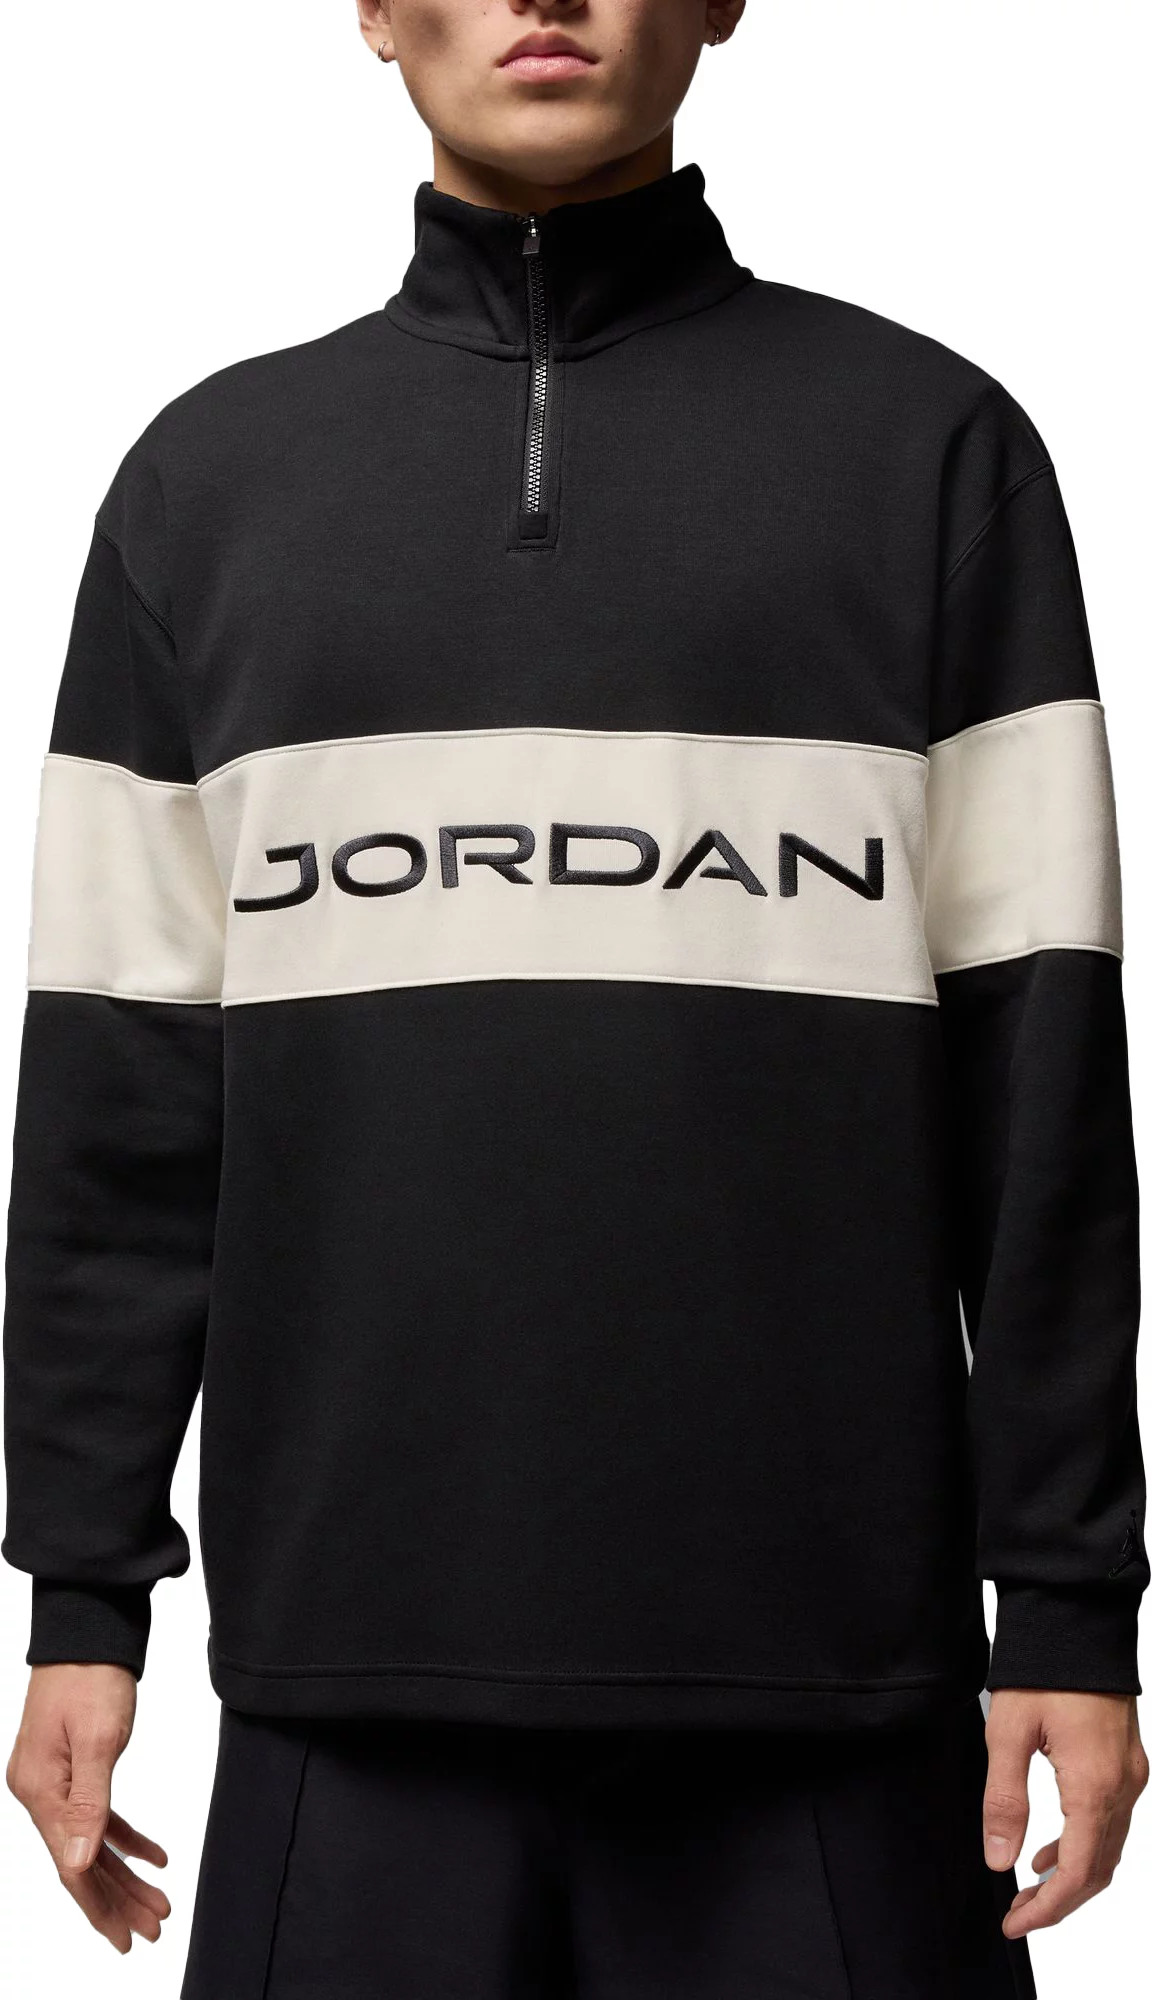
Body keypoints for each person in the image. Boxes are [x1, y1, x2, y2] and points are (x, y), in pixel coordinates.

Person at [2, 2, 1147, 1993]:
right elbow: (120, 1090)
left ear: (720, 0)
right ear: (373, 11)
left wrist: (1066, 1602)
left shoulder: (929, 451)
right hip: (346, 1690)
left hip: (835, 1699)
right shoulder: (208, 486)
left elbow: (1041, 1078)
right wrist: (81, 1593)